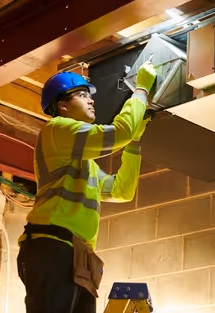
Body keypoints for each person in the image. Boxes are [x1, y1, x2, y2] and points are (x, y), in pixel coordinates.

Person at [17, 61, 157, 313]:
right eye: (82, 95)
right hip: (52, 246)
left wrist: (134, 143)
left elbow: (120, 191)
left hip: (75, 254)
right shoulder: (55, 129)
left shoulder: (85, 165)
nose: (91, 100)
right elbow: (119, 132)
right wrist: (141, 90)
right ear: (62, 105)